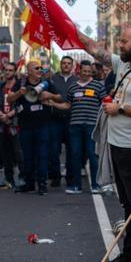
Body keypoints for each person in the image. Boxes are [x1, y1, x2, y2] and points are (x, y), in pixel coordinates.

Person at [81, 28, 131, 262]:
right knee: (126, 204)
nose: (119, 44)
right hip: (117, 145)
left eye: (124, 41)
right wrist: (62, 22)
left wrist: (119, 108)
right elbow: (92, 48)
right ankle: (129, 252)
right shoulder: (122, 65)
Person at [57, 60, 105, 193]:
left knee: (92, 155)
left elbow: (104, 104)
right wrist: (52, 104)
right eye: (85, 71)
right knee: (75, 155)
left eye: (90, 71)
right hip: (75, 126)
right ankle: (76, 185)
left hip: (92, 126)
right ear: (79, 71)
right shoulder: (72, 87)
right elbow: (67, 105)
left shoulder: (98, 86)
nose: (87, 73)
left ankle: (96, 185)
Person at [12, 61, 53, 195]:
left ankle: (42, 184)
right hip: (26, 127)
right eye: (37, 68)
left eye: (41, 68)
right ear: (29, 71)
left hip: (43, 126)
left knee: (42, 156)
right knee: (27, 157)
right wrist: (19, 92)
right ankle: (29, 184)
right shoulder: (21, 83)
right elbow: (9, 99)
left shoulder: (47, 83)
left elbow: (60, 98)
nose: (40, 70)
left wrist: (50, 96)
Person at [48, 56, 77, 188]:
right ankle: (55, 177)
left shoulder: (76, 80)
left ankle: (70, 177)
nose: (66, 65)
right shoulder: (52, 79)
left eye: (68, 63)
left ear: (72, 66)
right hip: (55, 120)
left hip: (72, 119)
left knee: (72, 150)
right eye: (64, 63)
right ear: (60, 64)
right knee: (54, 150)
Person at [0, 62, 22, 188]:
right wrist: (1, 114)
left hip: (15, 124)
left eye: (10, 70)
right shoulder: (0, 86)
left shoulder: (20, 86)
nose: (8, 72)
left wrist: (9, 115)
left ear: (15, 71)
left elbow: (22, 106)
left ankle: (22, 178)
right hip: (1, 124)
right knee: (5, 154)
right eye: (6, 70)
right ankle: (9, 179)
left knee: (19, 153)